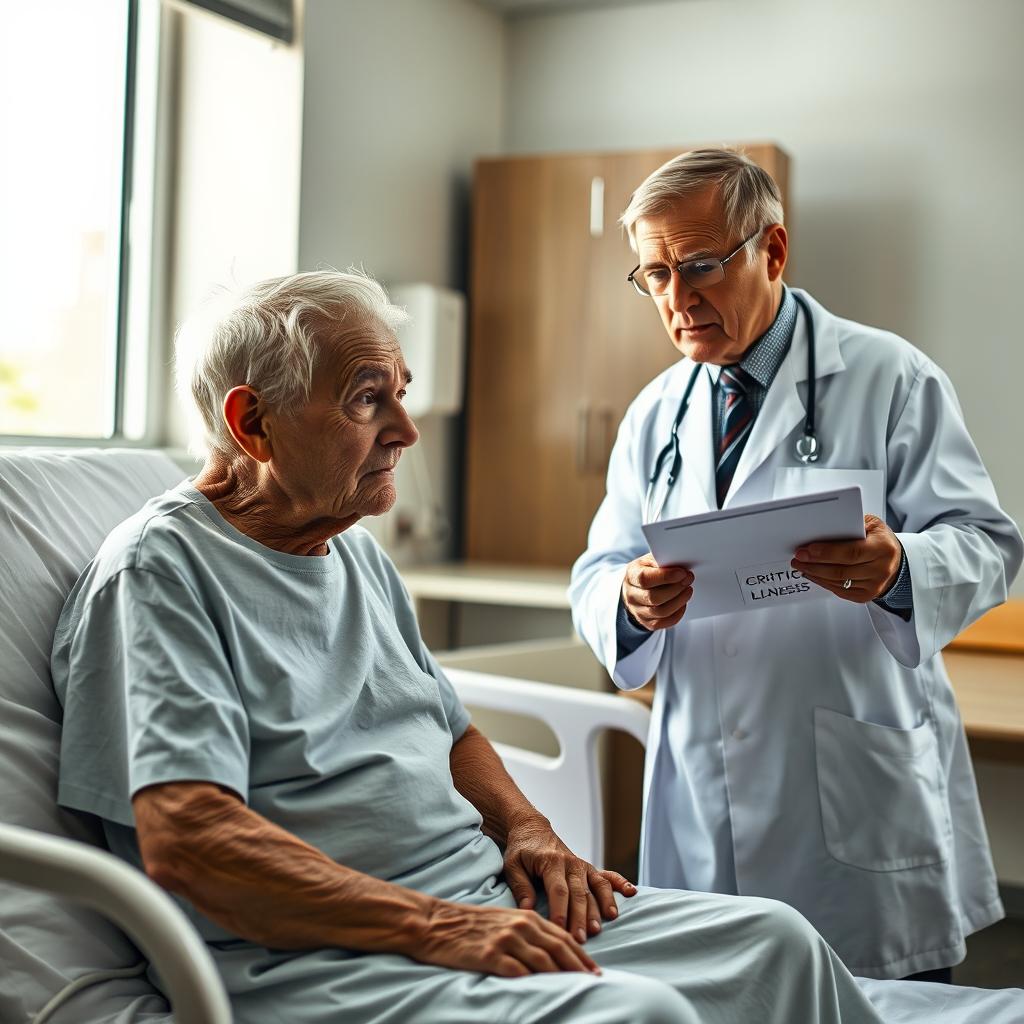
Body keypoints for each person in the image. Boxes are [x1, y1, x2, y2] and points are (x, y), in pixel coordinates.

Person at [51, 271, 883, 1024]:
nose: (406, 430)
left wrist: (528, 829)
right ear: (251, 422)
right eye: (366, 399)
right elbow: (188, 841)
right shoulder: (160, 574)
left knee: (778, 941)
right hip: (315, 957)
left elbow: (450, 733)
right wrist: (437, 927)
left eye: (401, 393)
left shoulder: (356, 555)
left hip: (475, 900)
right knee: (637, 1016)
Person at [569, 148, 1024, 983]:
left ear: (772, 252)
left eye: (700, 265)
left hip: (855, 795)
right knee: (721, 995)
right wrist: (629, 599)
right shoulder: (653, 412)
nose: (678, 299)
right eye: (655, 275)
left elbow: (988, 543)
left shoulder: (890, 377)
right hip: (703, 790)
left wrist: (898, 569)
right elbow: (597, 569)